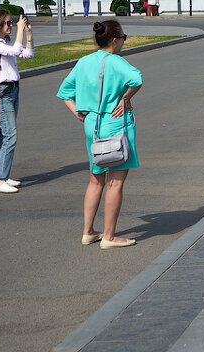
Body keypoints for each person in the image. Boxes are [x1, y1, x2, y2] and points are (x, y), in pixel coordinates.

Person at [57, 20, 143, 248]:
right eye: (123, 37)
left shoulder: (84, 61)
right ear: (115, 40)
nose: (124, 42)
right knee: (115, 182)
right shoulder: (115, 61)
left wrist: (78, 113)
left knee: (96, 179)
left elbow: (64, 92)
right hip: (114, 123)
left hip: (91, 123)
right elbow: (137, 79)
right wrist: (126, 98)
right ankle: (109, 236)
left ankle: (88, 231)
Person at [0, 9, 34, 193]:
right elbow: (15, 50)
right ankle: (1, 181)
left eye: (11, 23)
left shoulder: (4, 42)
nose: (10, 25)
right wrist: (19, 29)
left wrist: (28, 34)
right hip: (2, 91)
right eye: (7, 23)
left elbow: (27, 54)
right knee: (10, 135)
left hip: (12, 89)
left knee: (4, 135)